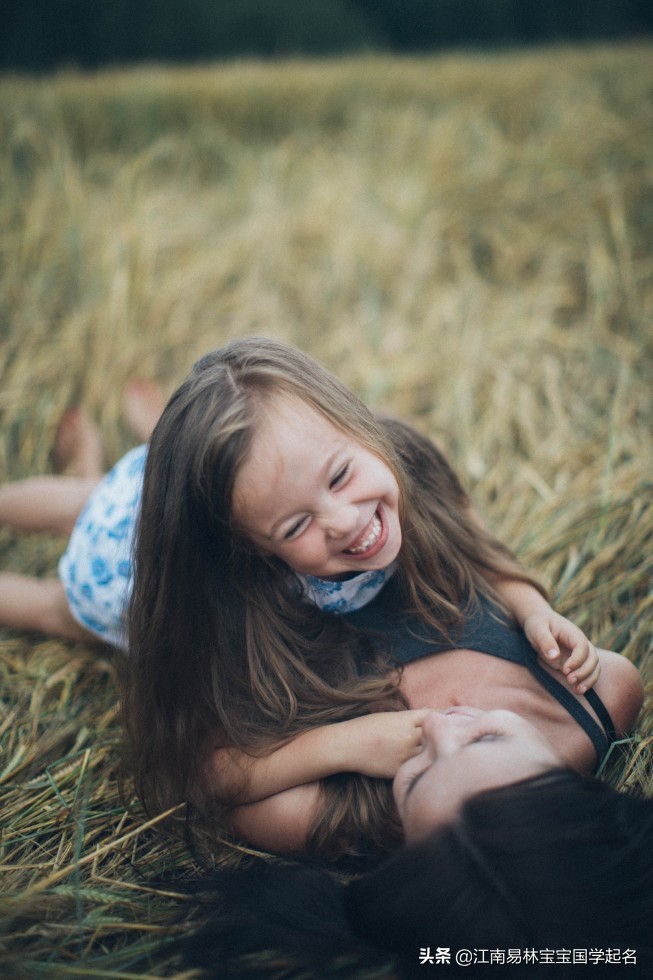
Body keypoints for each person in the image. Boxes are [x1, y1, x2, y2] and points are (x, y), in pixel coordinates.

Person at [0, 337, 643, 856]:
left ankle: (133, 457)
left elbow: (213, 771)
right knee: (91, 504)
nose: (341, 521)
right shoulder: (597, 699)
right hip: (141, 533)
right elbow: (481, 553)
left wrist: (354, 743)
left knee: (61, 607)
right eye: (298, 524)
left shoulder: (358, 812)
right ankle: (122, 461)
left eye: (425, 768)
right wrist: (535, 610)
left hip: (137, 576)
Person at [180, 709, 653, 979]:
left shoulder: (328, 822)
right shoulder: (594, 706)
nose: (435, 727)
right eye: (488, 740)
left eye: (415, 781)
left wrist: (342, 744)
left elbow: (209, 777)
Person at [0, 380, 166, 642]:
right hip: (132, 595)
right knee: (50, 608)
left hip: (142, 511)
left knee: (84, 499)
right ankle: (167, 448)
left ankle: (170, 444)